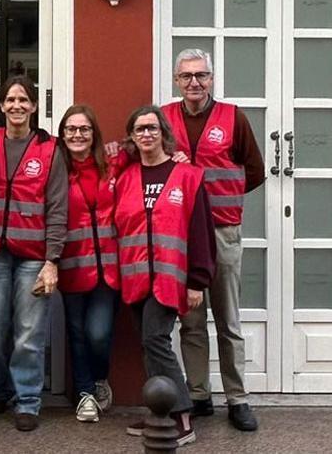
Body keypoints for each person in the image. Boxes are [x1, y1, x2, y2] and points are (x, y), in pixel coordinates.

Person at [165, 49, 264, 432]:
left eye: (201, 75)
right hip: (179, 234)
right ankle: (200, 394)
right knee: (189, 321)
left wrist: (223, 197)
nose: (194, 82)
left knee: (227, 318)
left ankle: (237, 399)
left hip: (222, 229)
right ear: (177, 81)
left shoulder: (233, 118)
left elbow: (253, 169)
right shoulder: (165, 117)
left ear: (212, 79)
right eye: (187, 76)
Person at [114, 105, 215, 447]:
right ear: (132, 136)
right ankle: (160, 410)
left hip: (171, 279)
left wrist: (198, 280)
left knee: (156, 340)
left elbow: (200, 230)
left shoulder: (188, 176)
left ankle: (182, 415)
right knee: (148, 344)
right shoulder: (125, 178)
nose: (146, 134)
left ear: (164, 134)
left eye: (152, 128)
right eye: (139, 129)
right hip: (135, 278)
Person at [0, 75, 67, 431]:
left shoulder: (50, 149)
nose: (16, 106)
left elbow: (58, 207)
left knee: (29, 332)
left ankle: (27, 400)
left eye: (23, 100)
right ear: (1, 105)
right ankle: (1, 390)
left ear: (33, 106)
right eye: (10, 100)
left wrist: (52, 259)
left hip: (34, 254)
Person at [56, 104, 120, 423]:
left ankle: (99, 378)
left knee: (98, 333)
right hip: (71, 264)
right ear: (62, 134)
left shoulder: (113, 163)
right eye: (71, 129)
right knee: (77, 332)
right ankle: (84, 395)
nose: (78, 135)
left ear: (94, 133)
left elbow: (148, 145)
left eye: (84, 129)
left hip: (109, 267)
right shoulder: (57, 169)